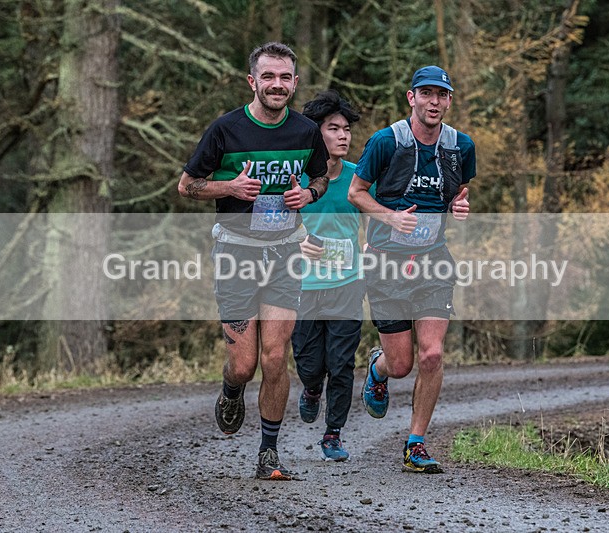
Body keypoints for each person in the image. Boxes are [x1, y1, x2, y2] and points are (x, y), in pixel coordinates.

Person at [177, 42, 330, 480]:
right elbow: (187, 186)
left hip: (285, 252)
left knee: (276, 358)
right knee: (244, 366)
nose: (277, 85)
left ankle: (268, 453)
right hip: (236, 253)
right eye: (268, 77)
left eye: (285, 78)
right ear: (253, 81)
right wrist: (230, 189)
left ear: (295, 83)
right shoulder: (225, 130)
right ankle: (230, 389)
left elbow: (319, 175)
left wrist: (310, 194)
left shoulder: (305, 132)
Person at [347, 65, 475, 473]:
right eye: (426, 94)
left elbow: (457, 196)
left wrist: (459, 207)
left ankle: (415, 443)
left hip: (433, 262)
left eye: (441, 95)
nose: (434, 102)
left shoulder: (460, 146)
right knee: (401, 364)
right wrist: (389, 217)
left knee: (433, 355)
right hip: (386, 265)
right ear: (411, 98)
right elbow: (356, 193)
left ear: (449, 101)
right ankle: (378, 368)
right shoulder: (386, 142)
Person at [292, 90, 365, 462]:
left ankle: (333, 433)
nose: (343, 135)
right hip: (303, 285)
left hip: (348, 284)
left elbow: (385, 213)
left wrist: (375, 248)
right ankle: (309, 390)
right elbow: (273, 227)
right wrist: (296, 245)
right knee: (309, 363)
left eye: (346, 129)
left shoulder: (357, 178)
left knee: (342, 363)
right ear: (315, 134)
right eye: (333, 128)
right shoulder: (300, 179)